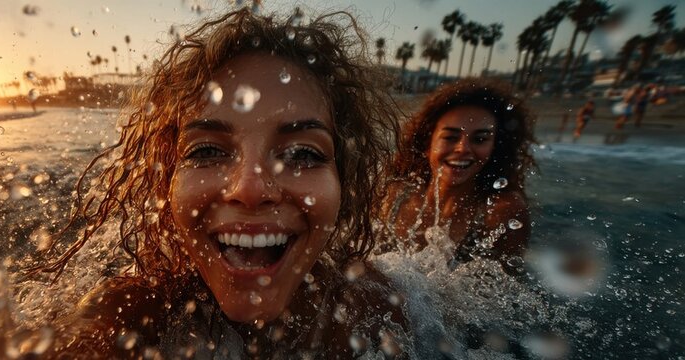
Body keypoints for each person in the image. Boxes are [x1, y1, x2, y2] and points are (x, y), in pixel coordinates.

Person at [28, 8, 407, 358]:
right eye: (206, 151)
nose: (250, 189)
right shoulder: (133, 314)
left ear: (345, 182)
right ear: (166, 183)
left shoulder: (373, 308)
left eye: (303, 154)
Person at [380, 78, 536, 274]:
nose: (462, 148)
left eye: (479, 139)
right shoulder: (393, 196)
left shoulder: (501, 214)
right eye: (451, 137)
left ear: (495, 148)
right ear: (428, 142)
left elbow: (506, 296)